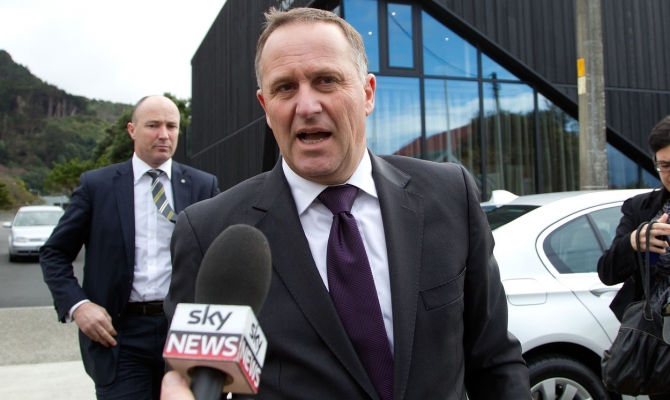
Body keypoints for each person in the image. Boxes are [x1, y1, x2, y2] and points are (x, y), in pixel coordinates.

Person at [165, 7, 529, 399]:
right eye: (285, 88)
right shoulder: (209, 234)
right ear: (265, 108)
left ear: (367, 93)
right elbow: (191, 380)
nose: (306, 106)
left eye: (326, 80)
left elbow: (494, 360)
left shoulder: (449, 195)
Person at [40, 95, 220, 399]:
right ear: (132, 130)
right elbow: (54, 253)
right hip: (119, 337)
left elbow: (223, 256)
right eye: (153, 125)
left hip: (184, 333)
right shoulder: (97, 186)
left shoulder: (203, 186)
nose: (164, 134)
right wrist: (79, 306)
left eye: (171, 126)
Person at [598, 115, 670, 400]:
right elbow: (606, 272)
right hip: (659, 344)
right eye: (665, 165)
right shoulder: (641, 208)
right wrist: (632, 243)